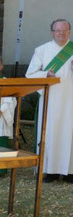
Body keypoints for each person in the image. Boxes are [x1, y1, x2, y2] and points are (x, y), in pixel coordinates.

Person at [26, 19, 73, 183]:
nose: (61, 34)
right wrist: (45, 75)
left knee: (70, 134)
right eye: (58, 31)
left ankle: (70, 171)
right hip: (51, 100)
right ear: (52, 32)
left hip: (71, 100)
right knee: (51, 133)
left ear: (70, 32)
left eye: (65, 31)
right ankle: (50, 170)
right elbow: (30, 74)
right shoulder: (41, 50)